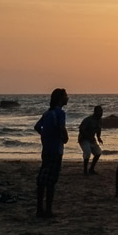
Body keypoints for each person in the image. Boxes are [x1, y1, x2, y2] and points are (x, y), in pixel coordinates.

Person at [34, 88, 69, 218]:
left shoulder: (47, 113)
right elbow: (61, 128)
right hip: (56, 150)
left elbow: (37, 127)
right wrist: (64, 138)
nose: (68, 98)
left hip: (46, 149)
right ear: (60, 98)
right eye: (66, 96)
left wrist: (45, 136)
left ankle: (39, 209)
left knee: (43, 179)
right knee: (51, 180)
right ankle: (48, 210)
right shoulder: (60, 113)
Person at [78, 105, 104, 175]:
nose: (101, 113)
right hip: (83, 139)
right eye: (99, 111)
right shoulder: (88, 120)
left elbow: (99, 129)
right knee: (87, 153)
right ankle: (85, 170)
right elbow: (81, 129)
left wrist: (98, 137)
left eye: (102, 111)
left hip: (92, 139)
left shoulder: (100, 120)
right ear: (95, 112)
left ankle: (91, 169)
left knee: (98, 153)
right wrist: (87, 137)